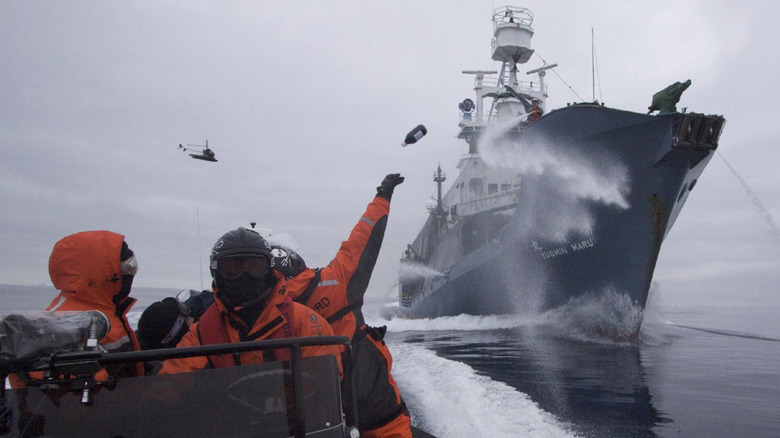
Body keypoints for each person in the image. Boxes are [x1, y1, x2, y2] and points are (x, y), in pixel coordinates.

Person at [270, 173, 412, 438]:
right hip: (370, 402)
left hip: (299, 413)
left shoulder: (260, 310)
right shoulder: (335, 282)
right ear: (297, 263)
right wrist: (383, 194)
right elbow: (364, 236)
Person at [157, 228, 342, 375]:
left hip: (292, 420)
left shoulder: (305, 324)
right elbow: (170, 386)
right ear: (217, 273)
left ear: (269, 270)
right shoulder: (204, 333)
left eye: (254, 267)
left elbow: (325, 385)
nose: (244, 277)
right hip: (228, 421)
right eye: (232, 269)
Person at [9, 230, 143, 388]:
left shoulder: (108, 311)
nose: (131, 274)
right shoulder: (62, 327)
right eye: (128, 268)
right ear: (104, 274)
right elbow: (55, 398)